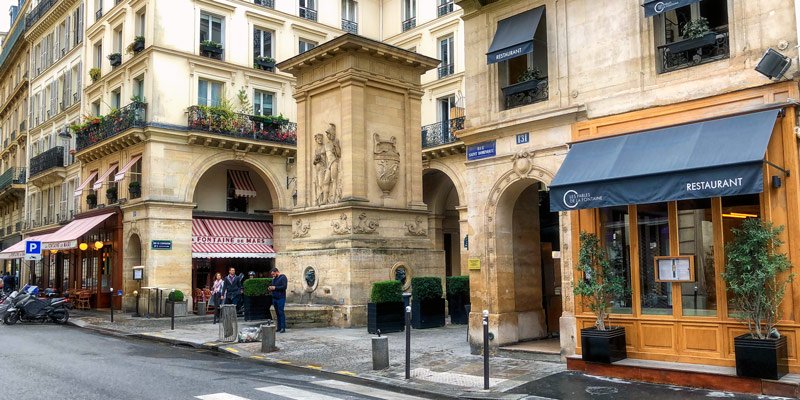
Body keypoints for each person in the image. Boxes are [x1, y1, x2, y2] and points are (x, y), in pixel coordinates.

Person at [268, 267, 288, 333]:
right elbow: (273, 286)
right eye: (272, 274)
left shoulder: (283, 277)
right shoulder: (274, 279)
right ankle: (279, 327)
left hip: (281, 298)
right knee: (277, 313)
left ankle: (283, 328)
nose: (273, 275)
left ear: (277, 272)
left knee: (281, 312)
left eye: (273, 274)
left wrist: (275, 287)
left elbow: (284, 287)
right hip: (275, 298)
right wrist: (270, 288)